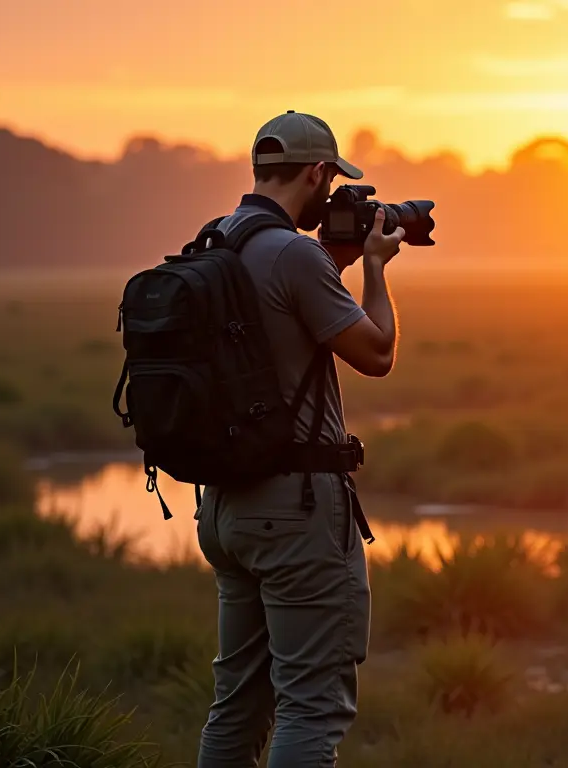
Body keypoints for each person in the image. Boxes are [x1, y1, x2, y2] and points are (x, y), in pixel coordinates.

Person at [193, 111, 404, 768]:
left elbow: (278, 327)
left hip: (225, 505)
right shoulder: (294, 253)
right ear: (317, 172)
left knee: (239, 703)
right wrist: (372, 267)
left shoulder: (215, 241)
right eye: (332, 180)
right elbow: (375, 354)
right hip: (297, 511)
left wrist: (328, 264)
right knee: (313, 705)